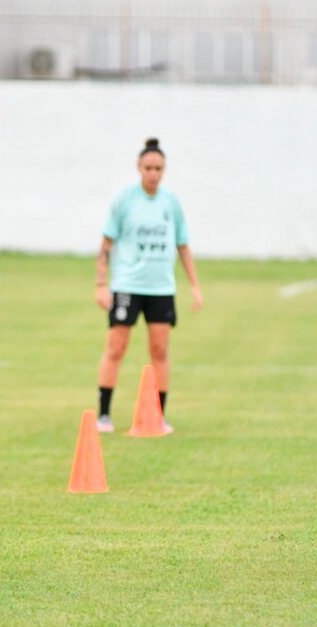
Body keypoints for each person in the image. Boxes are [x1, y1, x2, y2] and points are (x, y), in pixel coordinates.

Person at [94, 137, 203, 433]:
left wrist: (195, 286)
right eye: (148, 168)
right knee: (116, 347)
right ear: (138, 167)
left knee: (159, 350)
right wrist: (101, 284)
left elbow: (183, 246)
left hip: (161, 288)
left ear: (164, 170)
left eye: (158, 169)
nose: (153, 174)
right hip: (128, 286)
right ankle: (104, 414)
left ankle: (159, 416)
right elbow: (106, 245)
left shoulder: (171, 203)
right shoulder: (125, 201)